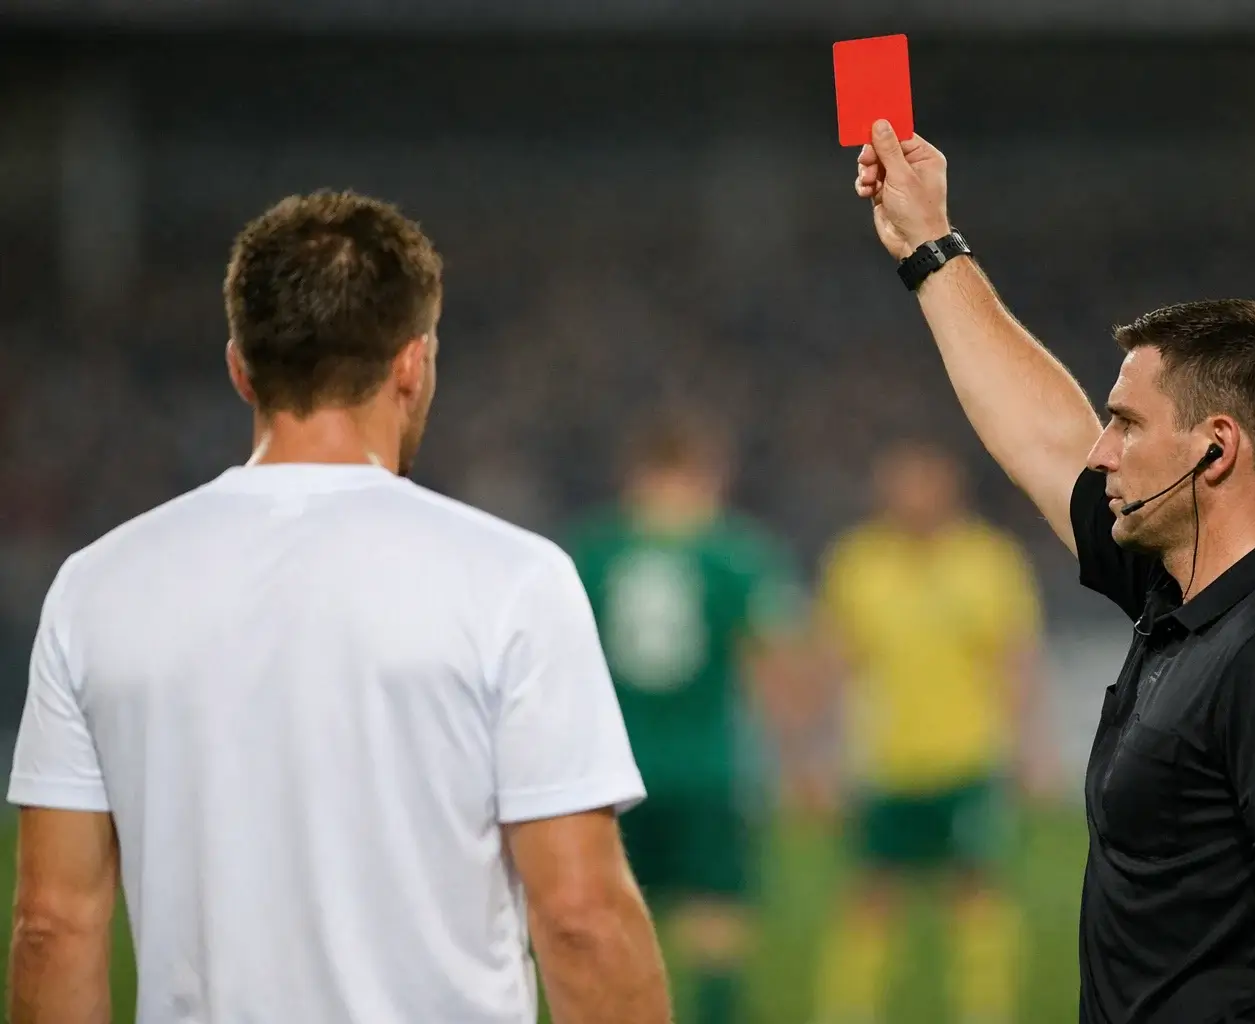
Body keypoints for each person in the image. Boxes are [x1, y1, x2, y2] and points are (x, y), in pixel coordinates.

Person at [6, 191, 670, 1024]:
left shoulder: (97, 585)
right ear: (412, 363)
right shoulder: (512, 580)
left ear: (240, 367)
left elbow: (52, 926)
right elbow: (580, 919)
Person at [851, 121, 1255, 1024]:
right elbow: (1043, 439)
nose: (1101, 451)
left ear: (1216, 449)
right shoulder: (1183, 596)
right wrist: (928, 245)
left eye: (1127, 424)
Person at [564, 412, 807, 1024]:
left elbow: (560, 668)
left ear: (636, 476)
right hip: (709, 768)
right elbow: (771, 664)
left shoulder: (593, 552)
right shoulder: (733, 552)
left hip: (612, 772)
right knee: (716, 920)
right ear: (703, 474)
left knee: (607, 925)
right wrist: (801, 758)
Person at [812, 439, 1055, 1024]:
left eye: (923, 484)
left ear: (950, 489)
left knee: (975, 891)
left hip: (966, 759)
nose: (912, 497)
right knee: (871, 895)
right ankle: (850, 1010)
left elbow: (1015, 661)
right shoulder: (858, 561)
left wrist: (1031, 746)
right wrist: (819, 752)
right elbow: (835, 664)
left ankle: (984, 1009)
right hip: (885, 762)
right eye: (900, 484)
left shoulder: (990, 560)